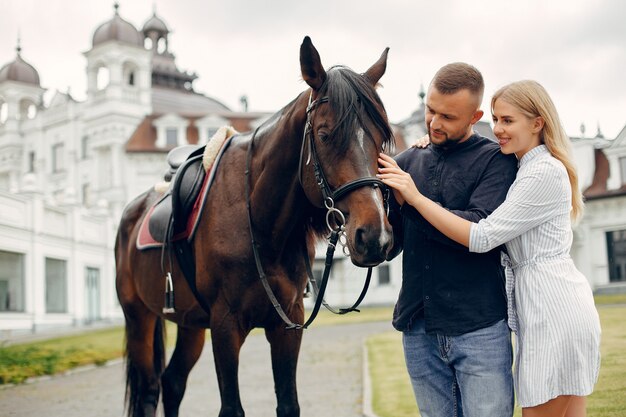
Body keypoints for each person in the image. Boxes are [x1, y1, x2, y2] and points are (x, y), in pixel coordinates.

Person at [378, 79, 601, 417]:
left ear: (538, 123)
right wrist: (431, 144)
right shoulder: (524, 166)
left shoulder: (541, 172)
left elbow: (483, 236)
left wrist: (414, 197)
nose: (497, 130)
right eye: (496, 120)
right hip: (544, 305)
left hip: (553, 309)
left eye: (507, 121)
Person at [382, 62, 519, 417]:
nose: (434, 123)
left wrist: (412, 200)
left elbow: (477, 231)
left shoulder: (497, 162)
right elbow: (390, 244)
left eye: (448, 116)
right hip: (417, 325)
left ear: (475, 116)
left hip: (479, 327)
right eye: (431, 110)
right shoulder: (405, 162)